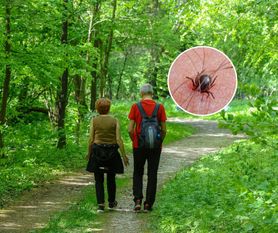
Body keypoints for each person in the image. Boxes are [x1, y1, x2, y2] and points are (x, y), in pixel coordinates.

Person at [128, 83, 167, 211]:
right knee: (152, 174)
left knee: (138, 172)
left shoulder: (135, 107)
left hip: (139, 145)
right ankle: (148, 204)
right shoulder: (159, 107)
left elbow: (130, 129)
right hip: (155, 147)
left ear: (141, 93)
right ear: (152, 93)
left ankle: (138, 200)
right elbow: (164, 129)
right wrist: (159, 141)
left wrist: (135, 140)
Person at [86, 98, 129, 212]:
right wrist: (124, 156)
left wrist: (89, 153)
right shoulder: (115, 120)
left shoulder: (94, 120)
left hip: (97, 152)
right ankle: (111, 203)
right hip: (112, 153)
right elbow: (119, 139)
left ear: (97, 108)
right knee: (111, 178)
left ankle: (100, 204)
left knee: (98, 179)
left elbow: (91, 139)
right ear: (109, 108)